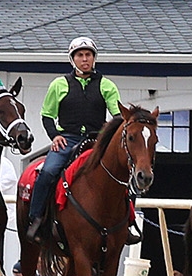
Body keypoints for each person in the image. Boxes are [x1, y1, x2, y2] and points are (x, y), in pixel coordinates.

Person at [28, 37, 125, 241]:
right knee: (47, 172)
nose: (84, 59)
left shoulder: (106, 85)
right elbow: (47, 115)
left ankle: (129, 221)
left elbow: (118, 116)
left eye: (88, 55)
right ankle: (36, 219)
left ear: (94, 58)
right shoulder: (59, 84)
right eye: (80, 55)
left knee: (121, 172)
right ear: (72, 59)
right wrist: (54, 136)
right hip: (68, 140)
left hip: (96, 141)